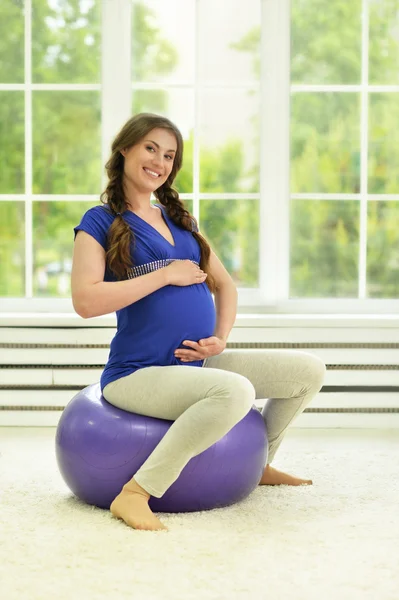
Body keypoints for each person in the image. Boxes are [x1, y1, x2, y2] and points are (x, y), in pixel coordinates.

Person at [71, 112, 326, 532]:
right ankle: (135, 493)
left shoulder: (180, 219)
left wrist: (220, 339)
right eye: (151, 148)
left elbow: (225, 286)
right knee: (236, 392)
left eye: (169, 155)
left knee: (307, 372)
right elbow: (85, 301)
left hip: (195, 364)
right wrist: (164, 274)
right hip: (138, 372)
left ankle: (259, 464)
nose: (160, 161)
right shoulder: (99, 222)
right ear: (125, 149)